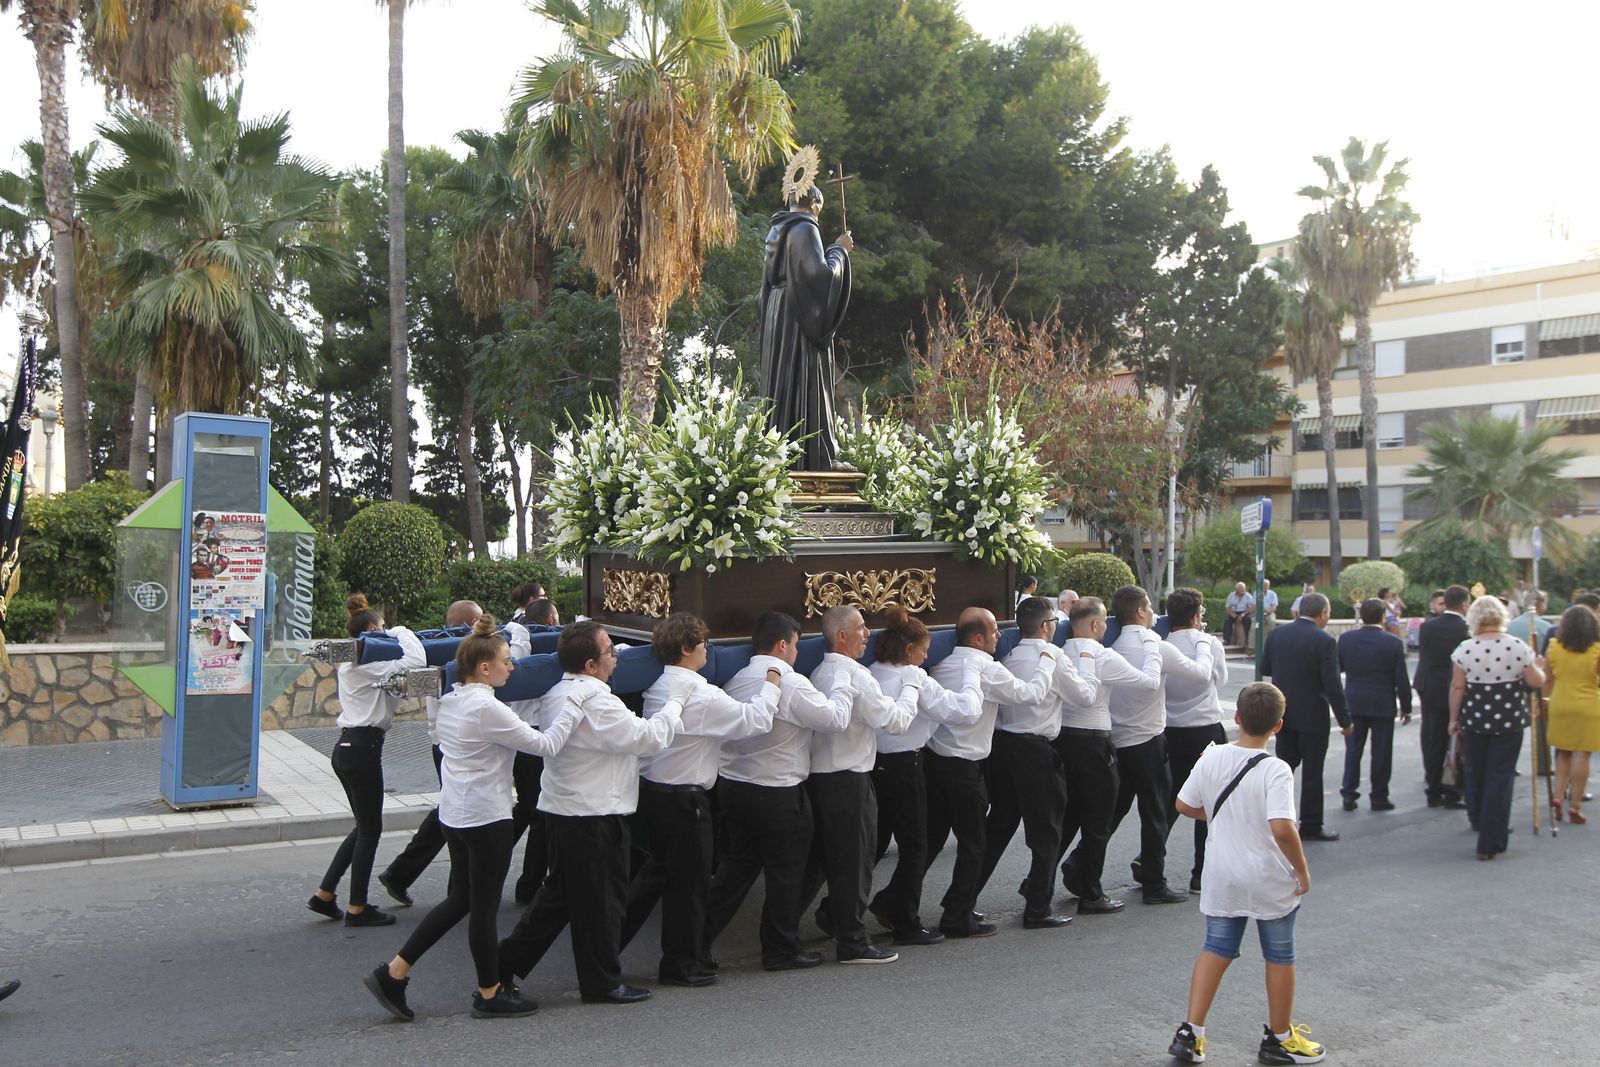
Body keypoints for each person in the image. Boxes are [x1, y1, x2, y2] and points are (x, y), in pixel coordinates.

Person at [363, 616, 583, 1022]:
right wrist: (573, 706)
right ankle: (488, 992)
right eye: (506, 661)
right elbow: (545, 744)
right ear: (484, 667)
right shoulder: (487, 708)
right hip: (486, 817)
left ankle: (395, 972)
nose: (512, 667)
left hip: (456, 813)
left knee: (462, 901)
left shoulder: (452, 699)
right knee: (481, 909)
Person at [496, 621, 687, 1004]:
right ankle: (600, 982)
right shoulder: (597, 700)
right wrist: (676, 702)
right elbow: (648, 738)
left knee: (559, 900)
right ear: (590, 664)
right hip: (593, 814)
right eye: (610, 651)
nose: (616, 656)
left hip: (569, 811)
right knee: (602, 903)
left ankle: (502, 965)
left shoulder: (559, 691)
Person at [1167, 682, 1324, 1067]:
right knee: (1280, 955)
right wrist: (1302, 871)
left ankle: (1191, 1032)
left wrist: (1219, 816)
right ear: (1278, 726)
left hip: (1222, 874)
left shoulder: (1212, 756)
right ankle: (1279, 1038)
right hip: (1268, 876)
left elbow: (1184, 804)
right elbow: (1282, 828)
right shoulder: (1276, 769)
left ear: (1236, 718)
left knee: (1216, 948)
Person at [620, 613, 778, 986]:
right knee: (689, 886)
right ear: (687, 648)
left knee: (655, 878)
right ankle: (681, 963)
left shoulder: (660, 684)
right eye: (704, 643)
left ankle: (608, 947)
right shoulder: (701, 693)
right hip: (685, 800)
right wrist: (773, 682)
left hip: (656, 792)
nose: (708, 649)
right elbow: (755, 720)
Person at [703, 612, 855, 971]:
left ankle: (695, 940)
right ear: (783, 644)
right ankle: (779, 948)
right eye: (797, 645)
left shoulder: (737, 679)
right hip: (777, 791)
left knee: (734, 873)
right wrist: (844, 680)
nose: (798, 653)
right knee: (785, 873)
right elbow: (835, 719)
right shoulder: (790, 682)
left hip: (735, 787)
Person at [925, 606, 1060, 937]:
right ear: (977, 638)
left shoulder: (944, 663)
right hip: (965, 765)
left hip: (935, 759)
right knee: (973, 844)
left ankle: (896, 903)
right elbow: (1031, 694)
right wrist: (1047, 659)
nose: (1000, 636)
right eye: (994, 631)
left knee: (929, 842)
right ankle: (957, 916)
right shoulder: (985, 667)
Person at [803, 605, 918, 963]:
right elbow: (895, 721)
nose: (868, 633)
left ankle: (788, 931)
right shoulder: (856, 675)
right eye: (862, 627)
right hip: (848, 779)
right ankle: (852, 942)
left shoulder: (820, 671)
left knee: (823, 861)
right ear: (842, 635)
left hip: (821, 778)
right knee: (855, 863)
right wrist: (912, 685)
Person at [866, 605, 983, 946]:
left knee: (875, 845)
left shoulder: (872, 672)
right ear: (909, 649)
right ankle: (906, 922)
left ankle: (835, 911)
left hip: (874, 766)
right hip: (905, 767)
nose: (926, 656)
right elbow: (965, 711)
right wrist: (972, 676)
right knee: (915, 848)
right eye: (924, 650)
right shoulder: (914, 678)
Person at [978, 596, 1096, 928]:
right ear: (1045, 626)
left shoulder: (1009, 656)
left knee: (998, 826)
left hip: (1003, 746)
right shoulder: (1053, 657)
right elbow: (1085, 697)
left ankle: (963, 900)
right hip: (1034, 749)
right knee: (1047, 831)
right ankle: (1038, 907)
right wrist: (1088, 659)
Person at [307, 595, 425, 927]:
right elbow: (416, 660)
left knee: (363, 826)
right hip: (362, 749)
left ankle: (324, 895)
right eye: (382, 628)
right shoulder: (366, 664)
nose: (387, 632)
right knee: (371, 829)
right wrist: (400, 631)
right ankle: (357, 907)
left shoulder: (356, 664)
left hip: (349, 748)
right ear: (373, 631)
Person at [1106, 585, 1215, 903]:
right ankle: (1154, 883)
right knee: (1155, 812)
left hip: (1116, 738)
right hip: (1148, 739)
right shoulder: (1155, 645)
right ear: (1140, 611)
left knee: (1114, 810)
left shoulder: (1110, 647)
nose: (1155, 613)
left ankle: (1079, 866)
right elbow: (1202, 674)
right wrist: (1203, 642)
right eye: (1150, 607)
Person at [379, 600, 487, 906]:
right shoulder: (459, 657)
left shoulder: (443, 653)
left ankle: (407, 875)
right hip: (453, 747)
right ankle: (454, 888)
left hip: (444, 744)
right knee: (456, 815)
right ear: (470, 624)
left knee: (451, 811)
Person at [1056, 596, 1157, 915]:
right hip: (1093, 743)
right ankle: (1091, 893)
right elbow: (1149, 682)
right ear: (1095, 624)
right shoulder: (1102, 656)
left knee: (1067, 817)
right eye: (1102, 622)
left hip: (1063, 740)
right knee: (1098, 821)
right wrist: (1152, 646)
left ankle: (1038, 882)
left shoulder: (1060, 652)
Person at [758, 161, 853, 471]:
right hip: (800, 315)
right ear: (812, 203)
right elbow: (818, 276)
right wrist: (839, 251)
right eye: (819, 209)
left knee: (785, 383)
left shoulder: (776, 232)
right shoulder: (805, 228)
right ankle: (816, 459)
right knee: (808, 379)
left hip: (779, 315)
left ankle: (782, 456)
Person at [1449, 596, 1547, 859]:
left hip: (1475, 720)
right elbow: (1536, 681)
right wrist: (1539, 667)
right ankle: (1491, 838)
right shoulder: (1516, 646)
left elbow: (1458, 687)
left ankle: (1482, 822)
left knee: (1478, 775)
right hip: (1508, 720)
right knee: (1500, 777)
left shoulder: (1465, 648)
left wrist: (1453, 718)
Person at [1261, 592, 1351, 842]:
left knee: (1283, 770)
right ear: (1323, 613)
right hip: (1313, 716)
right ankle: (1310, 825)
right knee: (1312, 772)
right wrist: (1345, 720)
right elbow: (1333, 684)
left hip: (1283, 714)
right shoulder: (1324, 640)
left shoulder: (1277, 634)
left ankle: (1274, 820)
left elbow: (1265, 667)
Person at [1163, 588, 1230, 894]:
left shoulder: (1163, 643)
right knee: (1209, 802)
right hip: (1204, 728)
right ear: (1195, 615)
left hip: (1170, 728)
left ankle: (1151, 857)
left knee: (1171, 797)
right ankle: (1200, 874)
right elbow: (1221, 679)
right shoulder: (1208, 643)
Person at [1338, 598, 1412, 813]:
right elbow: (1401, 679)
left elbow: (1337, 670)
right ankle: (1379, 796)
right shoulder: (1393, 642)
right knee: (1381, 752)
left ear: (1362, 616)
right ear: (1382, 617)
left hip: (1354, 701)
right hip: (1382, 702)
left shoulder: (1346, 639)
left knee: (1353, 751)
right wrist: (1406, 707)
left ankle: (1349, 794)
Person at [1415, 585, 1471, 808]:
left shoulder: (1427, 626)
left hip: (1429, 686)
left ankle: (1433, 789)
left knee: (1433, 739)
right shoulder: (1465, 629)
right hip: (1453, 687)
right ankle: (1453, 790)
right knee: (1455, 739)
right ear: (1464, 604)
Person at [1544, 605, 1600, 824]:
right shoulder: (1596, 650)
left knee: (1563, 753)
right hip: (1588, 705)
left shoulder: (1553, 647)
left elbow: (1547, 680)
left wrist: (1544, 702)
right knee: (1582, 754)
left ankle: (1558, 795)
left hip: (1560, 703)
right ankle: (1575, 804)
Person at [1224, 582, 1255, 650]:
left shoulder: (1248, 596)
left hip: (1245, 612)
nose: (1243, 591)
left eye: (1244, 589)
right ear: (1237, 589)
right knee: (1227, 621)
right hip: (1234, 612)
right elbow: (1227, 607)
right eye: (1241, 589)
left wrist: (1243, 614)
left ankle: (1247, 640)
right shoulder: (1231, 595)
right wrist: (1231, 614)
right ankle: (1227, 639)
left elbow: (1252, 608)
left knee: (1247, 621)